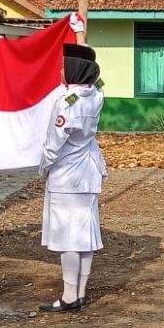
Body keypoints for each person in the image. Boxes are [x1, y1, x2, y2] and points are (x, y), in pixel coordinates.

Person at [38, 43, 107, 312]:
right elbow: (96, 80)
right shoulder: (96, 95)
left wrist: (43, 167)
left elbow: (54, 144)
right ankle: (79, 292)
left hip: (67, 176)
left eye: (65, 65)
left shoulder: (68, 104)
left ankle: (68, 296)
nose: (60, 70)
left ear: (76, 70)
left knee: (68, 238)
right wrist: (81, 37)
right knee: (85, 236)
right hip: (89, 172)